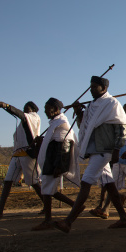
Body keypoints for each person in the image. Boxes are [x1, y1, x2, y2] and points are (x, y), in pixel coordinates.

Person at [54, 76, 126, 233]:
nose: (91, 89)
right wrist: (78, 112)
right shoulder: (91, 106)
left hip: (105, 150)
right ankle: (124, 218)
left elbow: (122, 127)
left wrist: (117, 149)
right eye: (91, 86)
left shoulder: (112, 103)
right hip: (94, 149)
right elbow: (86, 127)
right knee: (109, 185)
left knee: (86, 181)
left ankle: (69, 221)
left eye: (95, 87)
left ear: (104, 88)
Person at [0, 101, 42, 219]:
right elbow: (19, 115)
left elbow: (21, 115)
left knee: (34, 183)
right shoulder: (24, 122)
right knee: (8, 180)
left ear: (33, 110)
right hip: (18, 154)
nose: (25, 109)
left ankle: (47, 206)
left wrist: (7, 106)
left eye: (27, 108)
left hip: (27, 154)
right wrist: (5, 108)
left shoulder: (34, 118)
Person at [31, 98, 78, 231]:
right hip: (50, 160)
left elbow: (65, 145)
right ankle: (76, 206)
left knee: (47, 190)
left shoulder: (62, 124)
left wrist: (59, 165)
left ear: (56, 109)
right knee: (49, 190)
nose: (45, 111)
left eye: (48, 108)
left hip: (55, 162)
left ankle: (48, 220)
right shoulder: (55, 123)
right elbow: (53, 143)